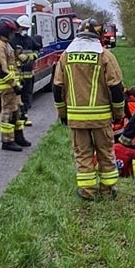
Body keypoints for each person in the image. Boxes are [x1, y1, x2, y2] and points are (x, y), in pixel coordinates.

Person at [53, 18, 125, 200]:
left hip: (76, 118)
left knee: (83, 154)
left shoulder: (65, 56)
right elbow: (116, 88)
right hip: (102, 117)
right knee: (106, 152)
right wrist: (119, 115)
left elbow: (57, 87)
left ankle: (88, 192)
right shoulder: (105, 56)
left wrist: (63, 114)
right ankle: (108, 191)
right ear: (99, 35)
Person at [0, 18, 31, 152]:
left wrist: (19, 80)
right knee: (8, 113)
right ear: (5, 31)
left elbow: (11, 65)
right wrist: (14, 84)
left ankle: (18, 137)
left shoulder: (5, 43)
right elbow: (1, 68)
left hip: (12, 84)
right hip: (6, 86)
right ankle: (7, 141)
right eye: (11, 32)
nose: (13, 35)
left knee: (17, 112)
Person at [11, 14, 42, 125]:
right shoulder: (12, 40)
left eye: (26, 29)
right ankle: (16, 118)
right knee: (15, 98)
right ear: (18, 27)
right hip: (16, 74)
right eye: (23, 28)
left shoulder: (30, 40)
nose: (24, 30)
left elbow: (38, 49)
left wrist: (32, 56)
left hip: (28, 74)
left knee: (27, 96)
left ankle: (24, 117)